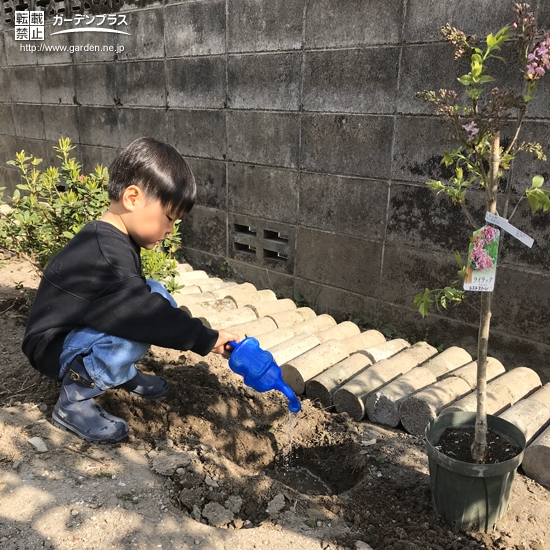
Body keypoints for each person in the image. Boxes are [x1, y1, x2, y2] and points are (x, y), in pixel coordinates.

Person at [22, 137, 239, 443]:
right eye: (169, 218)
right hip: (53, 349)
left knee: (154, 292)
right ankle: (74, 402)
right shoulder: (106, 256)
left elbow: (131, 302)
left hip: (72, 333)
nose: (169, 230)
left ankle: (118, 371)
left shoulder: (111, 239)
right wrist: (207, 338)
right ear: (133, 198)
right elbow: (141, 315)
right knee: (139, 320)